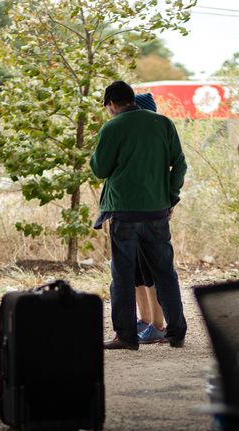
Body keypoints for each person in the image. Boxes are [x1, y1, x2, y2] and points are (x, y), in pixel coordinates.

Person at [90, 80, 187, 350]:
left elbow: (100, 169)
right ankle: (176, 332)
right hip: (157, 210)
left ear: (111, 104)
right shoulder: (163, 123)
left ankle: (126, 336)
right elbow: (179, 164)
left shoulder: (112, 127)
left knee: (122, 275)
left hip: (124, 212)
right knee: (165, 273)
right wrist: (171, 197)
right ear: (132, 99)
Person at [131, 92, 167, 345]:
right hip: (132, 210)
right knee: (136, 271)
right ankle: (144, 319)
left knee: (151, 269)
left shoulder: (158, 138)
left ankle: (158, 324)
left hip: (151, 210)